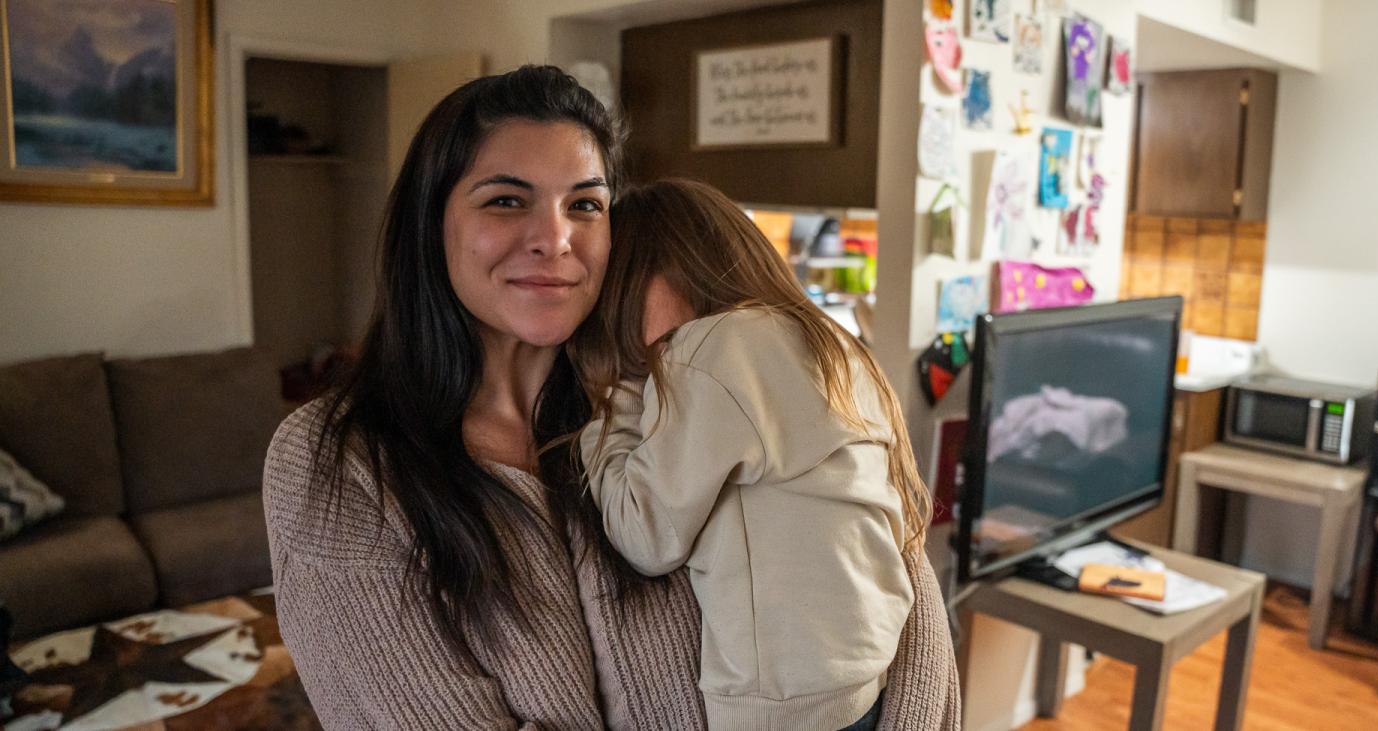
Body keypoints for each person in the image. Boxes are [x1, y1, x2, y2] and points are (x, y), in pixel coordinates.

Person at [262, 65, 960, 729]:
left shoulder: (664, 393)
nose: (555, 238)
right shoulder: (339, 464)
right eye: (507, 200)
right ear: (430, 225)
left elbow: (891, 569)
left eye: (585, 204)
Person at [572, 179, 934, 730]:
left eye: (618, 292)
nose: (611, 321)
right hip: (868, 678)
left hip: (781, 704)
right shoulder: (830, 342)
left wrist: (612, 399)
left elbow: (644, 536)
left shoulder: (705, 351)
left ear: (666, 270)